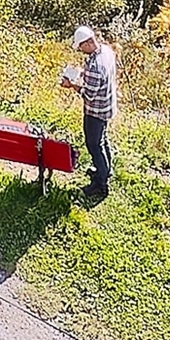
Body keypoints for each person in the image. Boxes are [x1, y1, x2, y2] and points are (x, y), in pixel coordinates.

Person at [61, 25, 118, 205]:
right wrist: (82, 73)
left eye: (80, 46)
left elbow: (88, 95)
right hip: (107, 105)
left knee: (94, 144)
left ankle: (100, 183)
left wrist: (72, 85)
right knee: (103, 139)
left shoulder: (95, 67)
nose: (80, 50)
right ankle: (106, 170)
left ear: (87, 43)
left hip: (95, 111)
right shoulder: (106, 51)